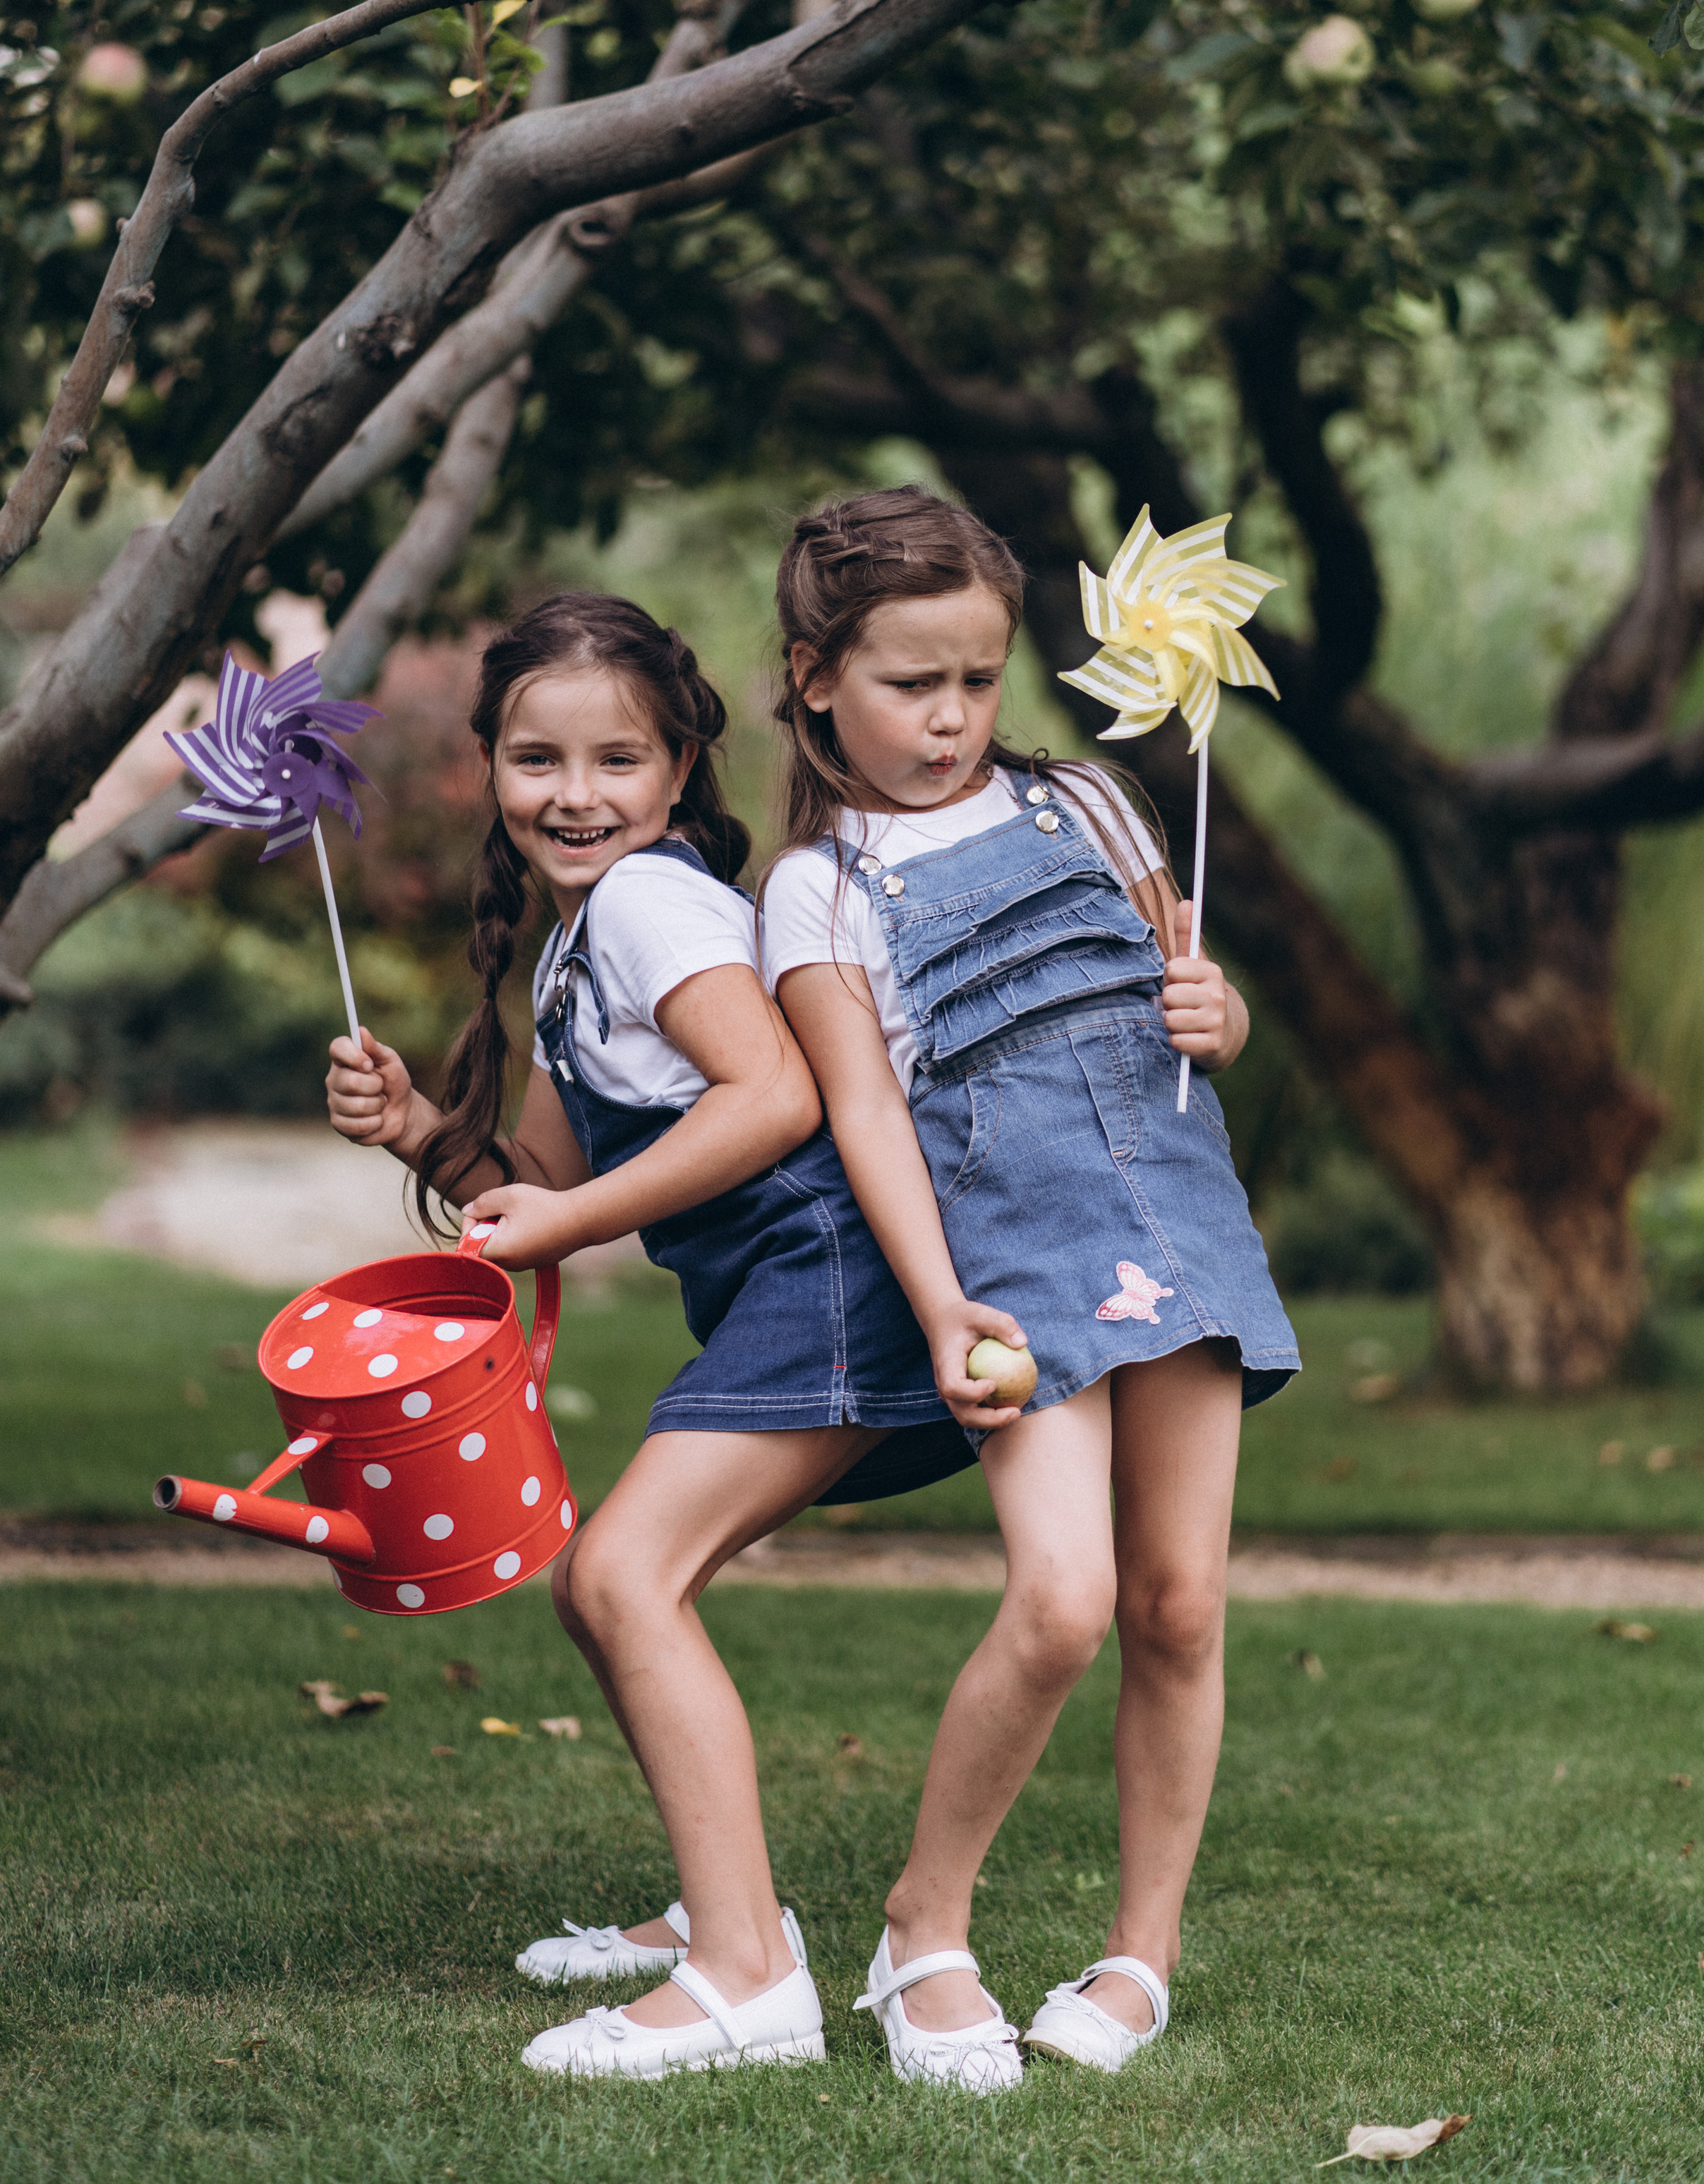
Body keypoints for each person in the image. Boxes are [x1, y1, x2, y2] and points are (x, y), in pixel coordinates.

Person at [325, 592, 972, 2082]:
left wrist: (556, 1221)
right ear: (491, 765)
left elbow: (775, 1101)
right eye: (536, 758)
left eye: (616, 758)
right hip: (788, 1285)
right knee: (608, 1590)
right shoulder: (583, 941)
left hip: (833, 1269)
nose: (574, 793)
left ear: (680, 767)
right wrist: (421, 1131)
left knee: (623, 1574)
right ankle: (723, 1924)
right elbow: (545, 1189)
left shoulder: (646, 903)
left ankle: (747, 1979)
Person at [759, 487, 1299, 2090]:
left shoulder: (1097, 801)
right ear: (812, 679)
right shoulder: (821, 886)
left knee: (1180, 1605)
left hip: (1177, 1213)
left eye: (977, 681)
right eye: (908, 684)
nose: (948, 718)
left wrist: (1223, 1014)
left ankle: (1142, 1953)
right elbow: (866, 1115)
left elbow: (1187, 998)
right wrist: (938, 1308)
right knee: (1063, 1600)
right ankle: (925, 1919)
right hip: (1012, 1257)